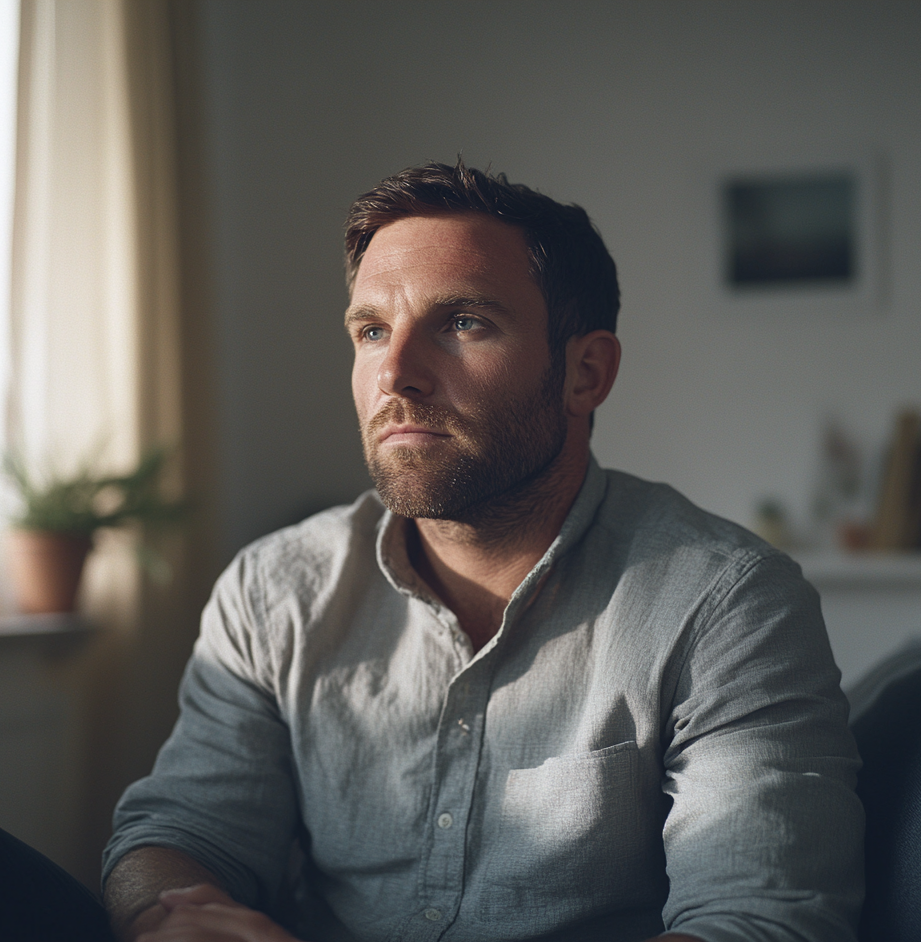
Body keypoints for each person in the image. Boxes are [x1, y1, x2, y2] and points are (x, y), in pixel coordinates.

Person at [102, 161, 864, 942]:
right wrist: (169, 915)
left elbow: (759, 918)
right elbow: (182, 832)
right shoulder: (274, 590)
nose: (395, 374)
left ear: (585, 371)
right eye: (370, 331)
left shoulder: (726, 604)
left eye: (462, 322)